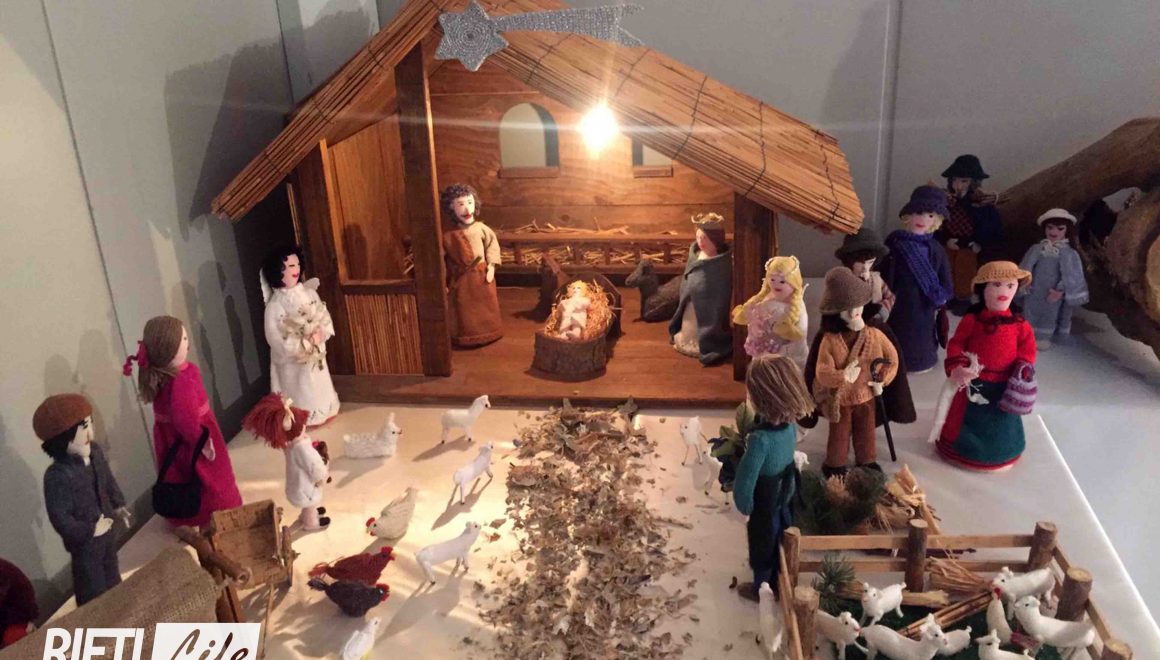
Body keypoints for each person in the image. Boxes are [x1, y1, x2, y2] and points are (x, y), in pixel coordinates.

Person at [124, 316, 242, 527]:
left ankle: (183, 515)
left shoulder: (160, 376)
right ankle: (214, 511)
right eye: (184, 339)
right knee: (208, 478)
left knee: (177, 473)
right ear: (170, 348)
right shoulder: (182, 379)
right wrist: (201, 440)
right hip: (193, 438)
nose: (187, 343)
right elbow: (185, 419)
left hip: (170, 439)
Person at [935, 262, 1037, 471]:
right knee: (966, 418)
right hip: (974, 383)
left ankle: (1002, 453)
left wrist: (1022, 368)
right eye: (997, 284)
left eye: (1010, 285)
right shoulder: (972, 320)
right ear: (983, 289)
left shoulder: (1020, 325)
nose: (1004, 291)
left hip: (1004, 387)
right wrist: (958, 366)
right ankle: (961, 451)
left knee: (1002, 423)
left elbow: (1028, 350)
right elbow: (957, 343)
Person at [732, 354, 815, 602]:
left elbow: (746, 477)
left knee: (762, 543)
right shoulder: (790, 428)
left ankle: (762, 588)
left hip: (765, 497)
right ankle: (780, 576)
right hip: (784, 491)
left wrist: (743, 503)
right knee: (779, 533)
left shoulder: (760, 440)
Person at [34, 394, 131, 605]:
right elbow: (60, 519)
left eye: (90, 423)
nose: (90, 433)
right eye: (83, 427)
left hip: (107, 531)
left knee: (113, 576)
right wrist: (90, 530)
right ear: (63, 437)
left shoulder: (95, 452)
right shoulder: (58, 475)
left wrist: (118, 504)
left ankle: (121, 609)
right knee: (92, 589)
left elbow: (107, 479)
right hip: (85, 544)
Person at [810, 268, 899, 478]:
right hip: (840, 400)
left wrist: (882, 380)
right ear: (835, 313)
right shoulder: (830, 340)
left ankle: (867, 461)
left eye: (856, 306)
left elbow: (892, 360)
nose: (853, 313)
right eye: (845, 309)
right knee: (839, 435)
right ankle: (835, 464)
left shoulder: (875, 335)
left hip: (866, 396)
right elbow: (822, 371)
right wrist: (841, 376)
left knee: (866, 433)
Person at [261, 246, 340, 426]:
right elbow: (274, 338)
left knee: (319, 382)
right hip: (295, 360)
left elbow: (323, 314)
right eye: (289, 266)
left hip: (315, 353)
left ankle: (325, 408)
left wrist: (321, 331)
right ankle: (302, 415)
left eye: (296, 264)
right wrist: (302, 344)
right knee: (300, 387)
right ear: (278, 271)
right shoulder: (275, 306)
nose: (295, 269)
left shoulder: (310, 293)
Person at [881, 185, 954, 374]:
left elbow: (944, 275)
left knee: (922, 333)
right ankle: (895, 360)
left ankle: (922, 360)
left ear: (936, 220)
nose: (923, 219)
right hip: (899, 301)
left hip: (925, 304)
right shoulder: (895, 244)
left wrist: (942, 294)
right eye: (919, 213)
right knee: (898, 332)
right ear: (909, 214)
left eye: (930, 216)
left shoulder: (935, 248)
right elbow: (884, 271)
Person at [242, 393, 331, 530]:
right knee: (310, 500)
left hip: (297, 483)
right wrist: (322, 476)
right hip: (306, 485)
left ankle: (307, 515)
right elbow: (314, 466)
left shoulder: (290, 445)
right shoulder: (302, 449)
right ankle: (311, 522)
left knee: (308, 502)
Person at [938, 154, 1004, 313]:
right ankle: (948, 294)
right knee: (946, 267)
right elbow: (937, 223)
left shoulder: (980, 204)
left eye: (964, 181)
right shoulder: (946, 201)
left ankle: (963, 297)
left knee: (965, 269)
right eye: (954, 180)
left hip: (969, 244)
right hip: (950, 241)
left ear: (973, 182)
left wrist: (980, 243)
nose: (958, 185)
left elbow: (990, 226)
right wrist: (945, 239)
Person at [442, 183, 504, 347]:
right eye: (460, 204)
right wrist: (445, 280)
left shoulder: (481, 229)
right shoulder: (448, 236)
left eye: (469, 202)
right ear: (451, 207)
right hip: (462, 279)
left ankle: (491, 331)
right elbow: (444, 259)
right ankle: (468, 335)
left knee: (487, 303)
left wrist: (492, 266)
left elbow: (492, 245)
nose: (466, 208)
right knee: (464, 307)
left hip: (482, 275)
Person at [1018, 209, 1089, 348]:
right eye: (1050, 227)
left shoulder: (1069, 253)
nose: (1054, 232)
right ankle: (1026, 336)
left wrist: (1060, 290)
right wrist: (1025, 282)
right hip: (1034, 289)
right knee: (1029, 311)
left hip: (1053, 292)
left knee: (1050, 314)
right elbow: (1026, 265)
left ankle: (1043, 337)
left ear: (1066, 230)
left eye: (1060, 228)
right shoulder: (1037, 248)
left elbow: (1071, 275)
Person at [670, 213, 733, 365]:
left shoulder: (720, 263)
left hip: (709, 307)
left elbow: (721, 289)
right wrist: (689, 291)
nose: (701, 242)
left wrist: (705, 294)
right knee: (690, 325)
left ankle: (708, 343)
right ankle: (689, 340)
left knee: (707, 323)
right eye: (698, 237)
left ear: (715, 239)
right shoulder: (695, 256)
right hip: (691, 304)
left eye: (705, 238)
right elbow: (688, 278)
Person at [731, 255, 808, 369]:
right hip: (763, 354)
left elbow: (799, 336)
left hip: (787, 359)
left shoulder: (797, 306)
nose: (776, 284)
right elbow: (751, 320)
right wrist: (755, 324)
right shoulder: (764, 301)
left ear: (793, 281)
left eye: (782, 281)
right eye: (772, 280)